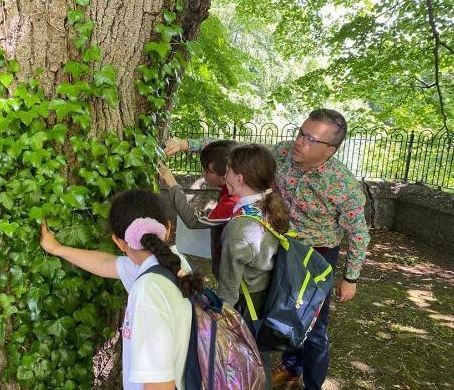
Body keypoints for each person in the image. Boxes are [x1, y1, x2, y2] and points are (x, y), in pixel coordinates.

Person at [164, 109, 371, 390]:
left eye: (310, 139)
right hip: (276, 245)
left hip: (314, 256)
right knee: (277, 311)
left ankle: (312, 383)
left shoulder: (343, 184)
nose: (299, 142)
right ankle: (289, 366)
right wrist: (187, 144)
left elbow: (358, 232)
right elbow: (237, 153)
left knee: (313, 326)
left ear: (330, 150)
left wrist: (351, 278)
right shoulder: (281, 153)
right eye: (301, 132)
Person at [39, 189, 204, 390]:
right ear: (168, 228)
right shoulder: (175, 267)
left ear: (118, 241)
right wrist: (57, 249)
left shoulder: (148, 291)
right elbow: (107, 264)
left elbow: (159, 385)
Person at [218, 143, 290, 390]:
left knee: (246, 363)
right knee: (260, 358)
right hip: (267, 296)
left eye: (227, 171)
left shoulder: (239, 227)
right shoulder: (270, 208)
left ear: (238, 178)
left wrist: (220, 317)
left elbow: (228, 288)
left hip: (246, 304)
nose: (224, 176)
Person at [159, 140, 240, 279]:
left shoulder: (233, 202)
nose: (203, 174)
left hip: (233, 280)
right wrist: (182, 144)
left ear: (225, 177)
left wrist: (172, 183)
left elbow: (193, 220)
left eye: (208, 171)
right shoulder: (236, 185)